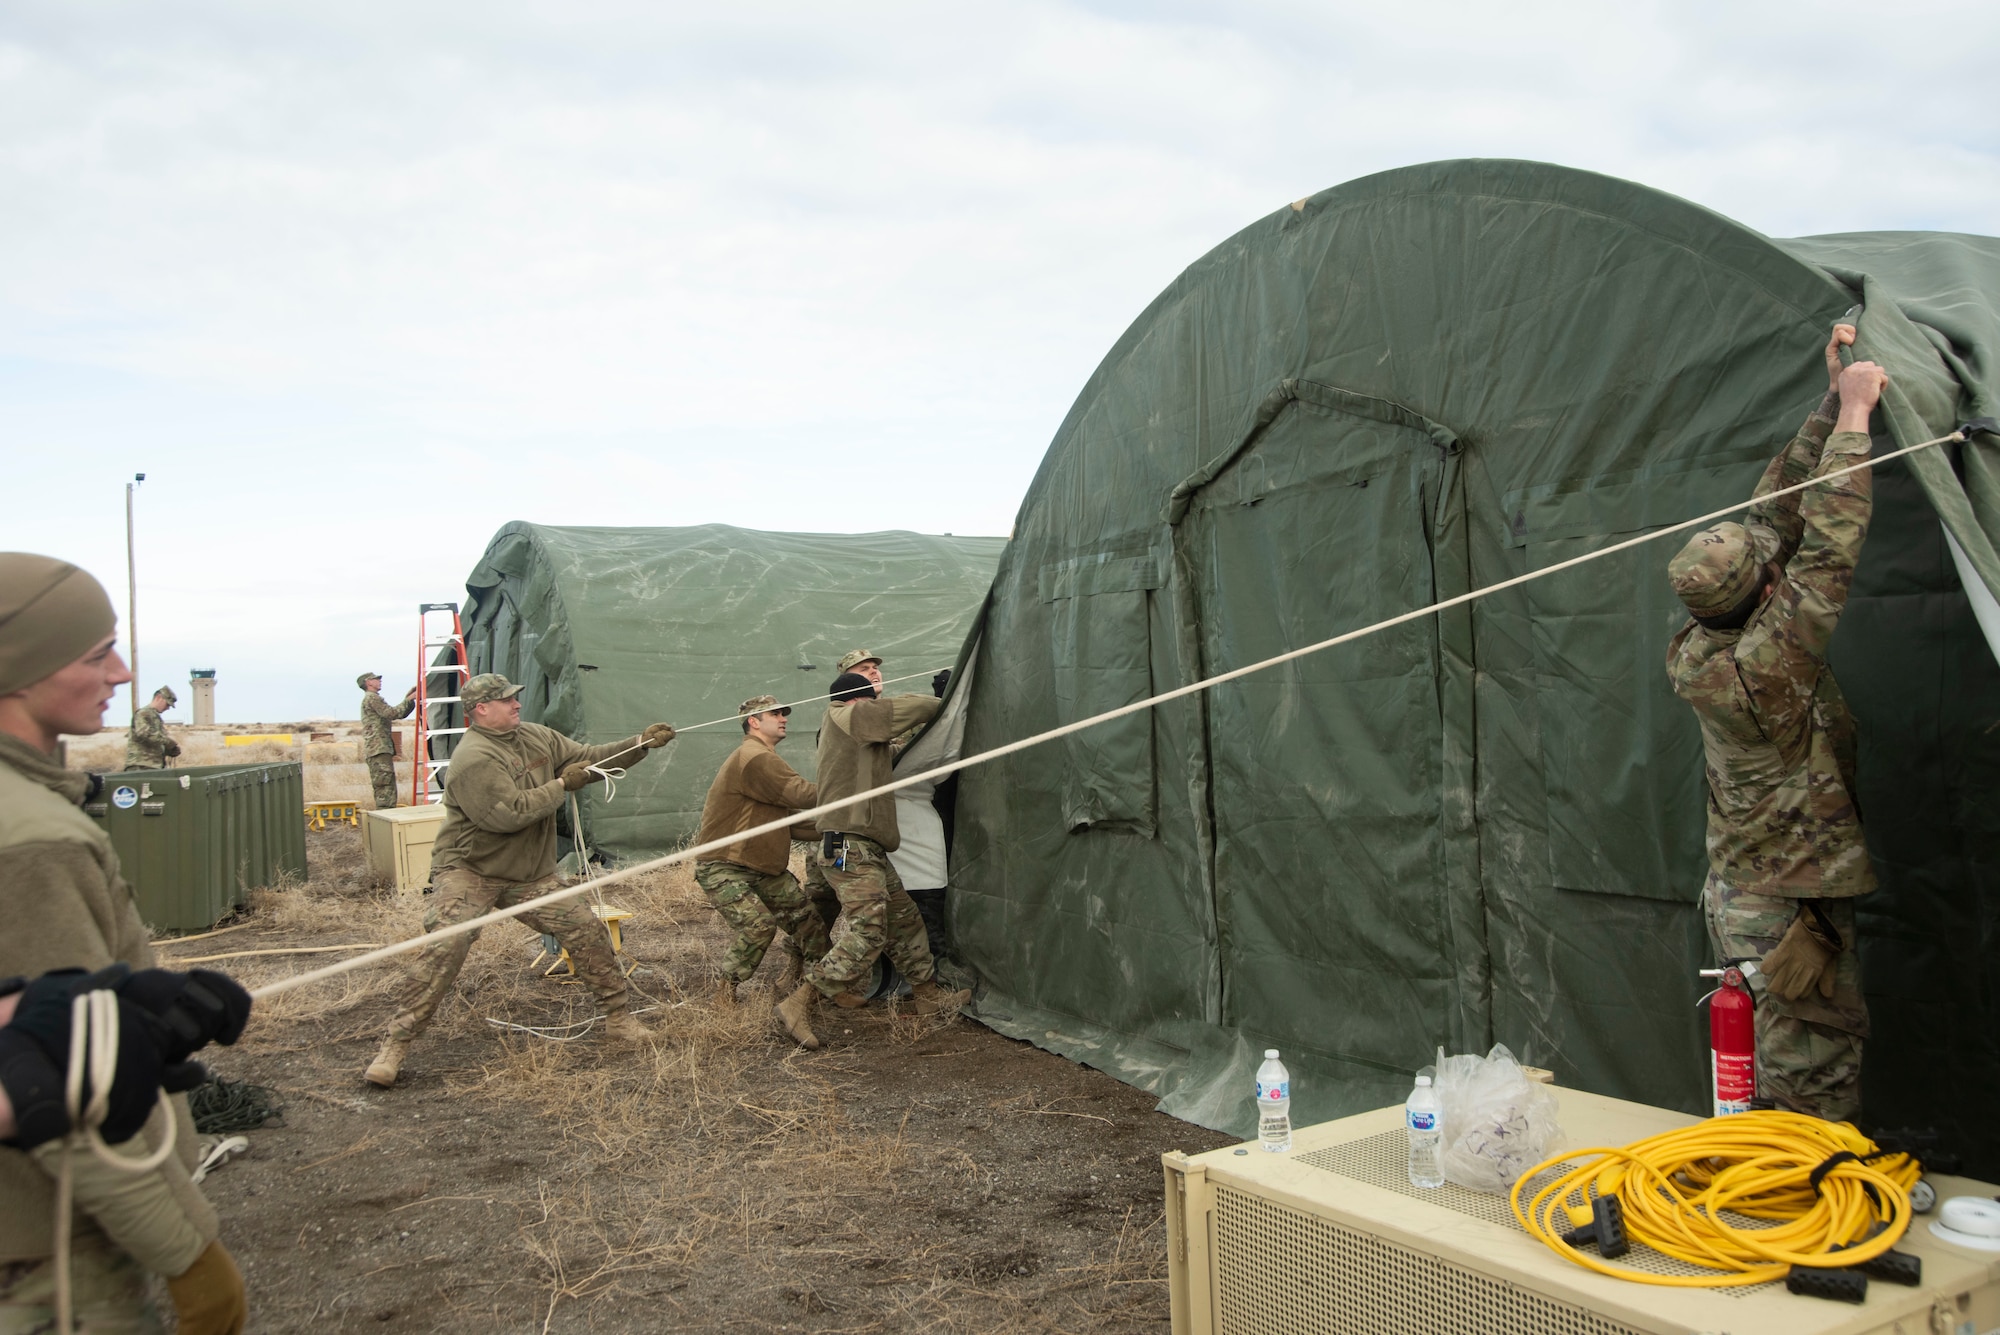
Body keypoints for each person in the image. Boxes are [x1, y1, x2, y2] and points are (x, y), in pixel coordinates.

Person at [0, 552, 248, 1333]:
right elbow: (66, 1092)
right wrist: (189, 1253)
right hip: (50, 1254)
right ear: (22, 667)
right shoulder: (33, 839)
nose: (121, 668)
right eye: (94, 651)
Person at [1666, 325, 1887, 1123]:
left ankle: (1773, 1187)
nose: (1771, 553)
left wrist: (1830, 403)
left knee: (1769, 1064)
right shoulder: (1768, 667)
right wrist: (1861, 417)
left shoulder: (1702, 641)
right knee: (1811, 1077)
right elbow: (1827, 543)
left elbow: (1780, 517)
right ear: (1764, 597)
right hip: (1787, 907)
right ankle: (1808, 1221)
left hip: (1748, 887)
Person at [364, 673, 676, 1087]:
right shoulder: (473, 759)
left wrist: (639, 745)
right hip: (470, 872)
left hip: (529, 874)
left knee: (585, 930)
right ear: (480, 710)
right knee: (446, 944)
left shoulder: (537, 737)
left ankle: (618, 1019)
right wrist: (563, 784)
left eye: (515, 698)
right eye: (506, 700)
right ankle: (396, 1045)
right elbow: (509, 814)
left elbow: (589, 758)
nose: (516, 704)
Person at [773, 673, 969, 1049]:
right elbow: (908, 710)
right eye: (871, 701)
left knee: (904, 919)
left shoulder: (862, 743)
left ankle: (927, 994)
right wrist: (946, 703)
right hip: (849, 846)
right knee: (869, 930)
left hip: (865, 845)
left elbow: (907, 754)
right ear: (858, 702)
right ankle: (800, 1003)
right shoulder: (845, 717)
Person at [692, 697, 834, 1009]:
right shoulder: (755, 757)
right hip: (726, 867)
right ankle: (724, 993)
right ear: (754, 721)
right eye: (776, 713)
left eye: (785, 713)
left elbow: (793, 823)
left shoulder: (764, 757)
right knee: (759, 927)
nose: (784, 718)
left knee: (809, 923)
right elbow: (801, 793)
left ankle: (823, 986)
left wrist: (837, 825)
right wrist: (849, 786)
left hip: (763, 868)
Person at [358, 672, 417, 809]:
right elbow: (391, 713)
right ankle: (386, 817)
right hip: (378, 748)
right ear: (368, 683)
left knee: (386, 785)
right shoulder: (372, 698)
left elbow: (398, 713)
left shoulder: (372, 698)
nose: (379, 681)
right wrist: (408, 700)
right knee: (385, 788)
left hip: (380, 748)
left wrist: (408, 700)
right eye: (376, 679)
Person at [125, 685, 181, 769]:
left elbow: (154, 742)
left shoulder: (155, 717)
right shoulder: (143, 713)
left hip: (153, 766)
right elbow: (145, 734)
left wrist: (169, 750)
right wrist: (167, 742)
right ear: (159, 698)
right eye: (167, 704)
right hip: (141, 765)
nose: (167, 708)